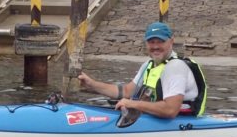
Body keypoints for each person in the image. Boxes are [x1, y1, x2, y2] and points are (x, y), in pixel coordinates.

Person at [78, 21, 207, 118]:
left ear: (171, 41)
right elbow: (127, 91)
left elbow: (170, 110)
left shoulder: (176, 67)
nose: (155, 46)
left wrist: (133, 104)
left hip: (180, 125)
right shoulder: (148, 65)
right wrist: (92, 84)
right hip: (153, 120)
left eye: (160, 42)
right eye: (151, 42)